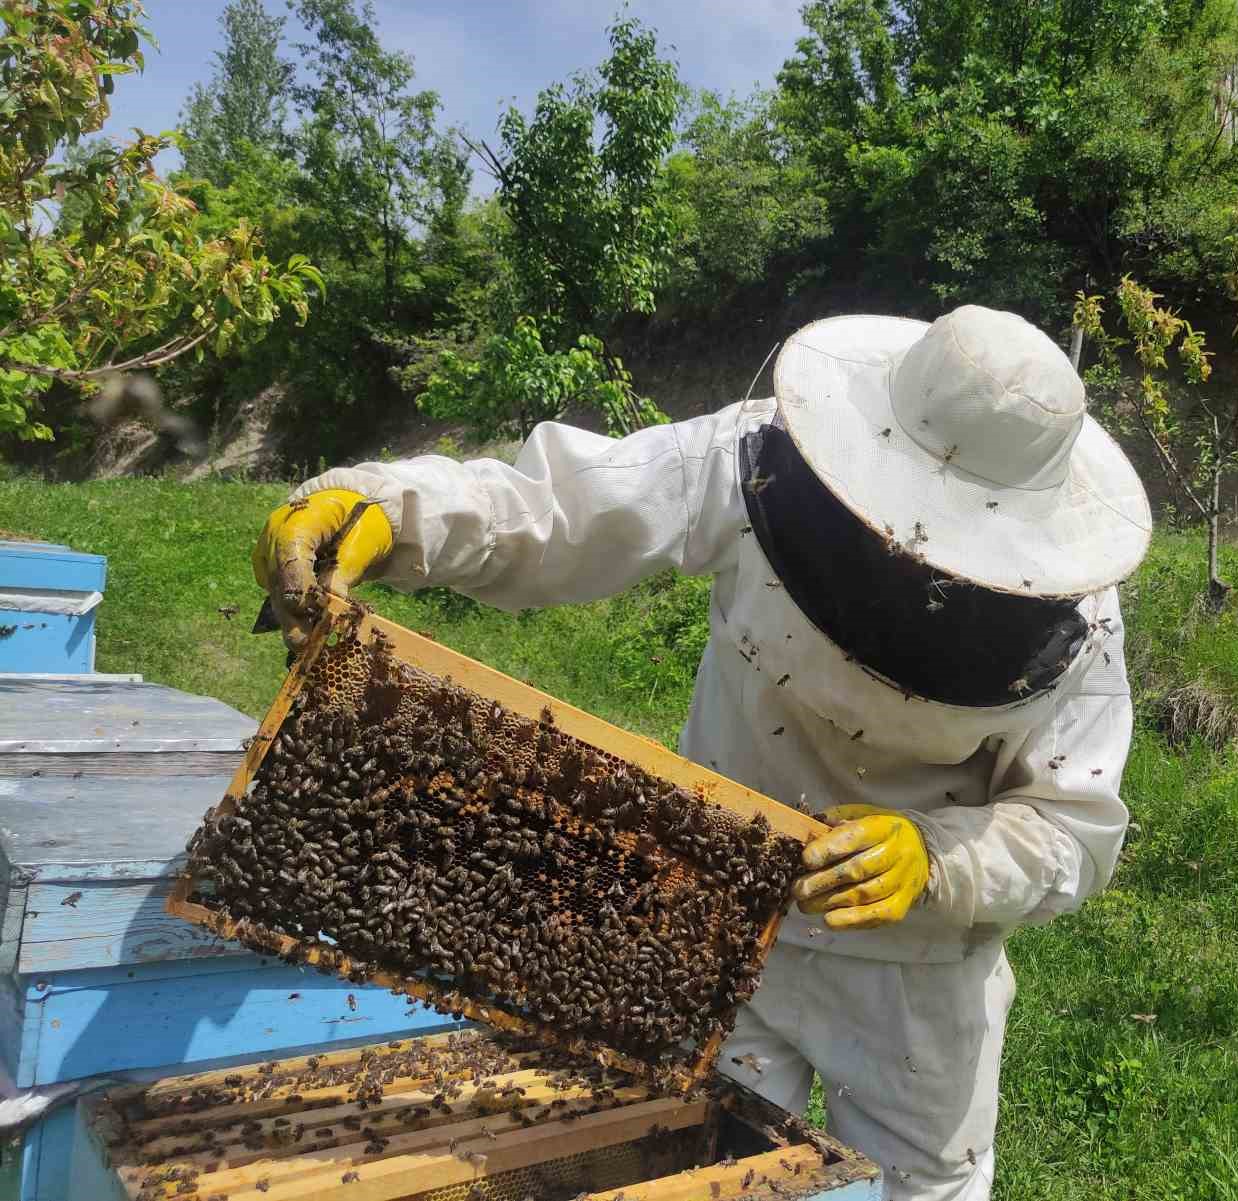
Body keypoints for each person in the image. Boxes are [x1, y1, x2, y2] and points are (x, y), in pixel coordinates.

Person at [254, 305, 1151, 1201]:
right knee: (691, 1173)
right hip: (714, 918)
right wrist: (393, 508)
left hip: (916, 974)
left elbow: (1073, 826)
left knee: (928, 1188)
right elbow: (562, 507)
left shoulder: (1079, 619)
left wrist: (938, 857)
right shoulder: (759, 458)